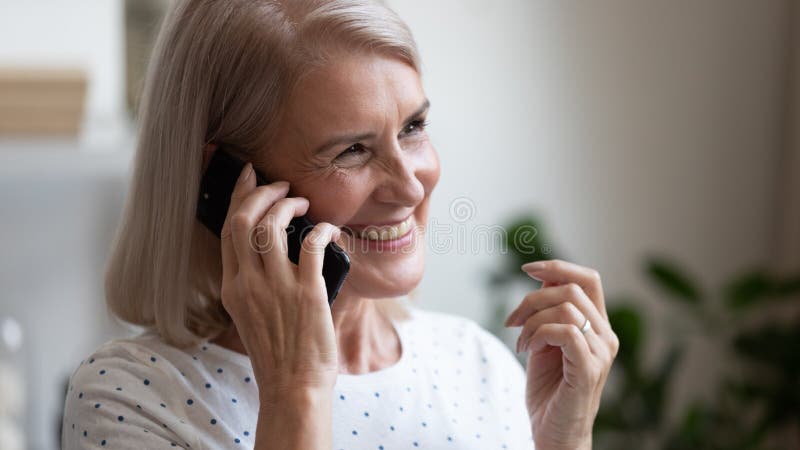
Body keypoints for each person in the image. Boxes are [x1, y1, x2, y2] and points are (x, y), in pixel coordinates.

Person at [61, 1, 618, 449]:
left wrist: (564, 441)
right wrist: (296, 396)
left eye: (414, 127)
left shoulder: (476, 367)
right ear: (229, 182)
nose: (410, 185)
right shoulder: (132, 397)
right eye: (352, 150)